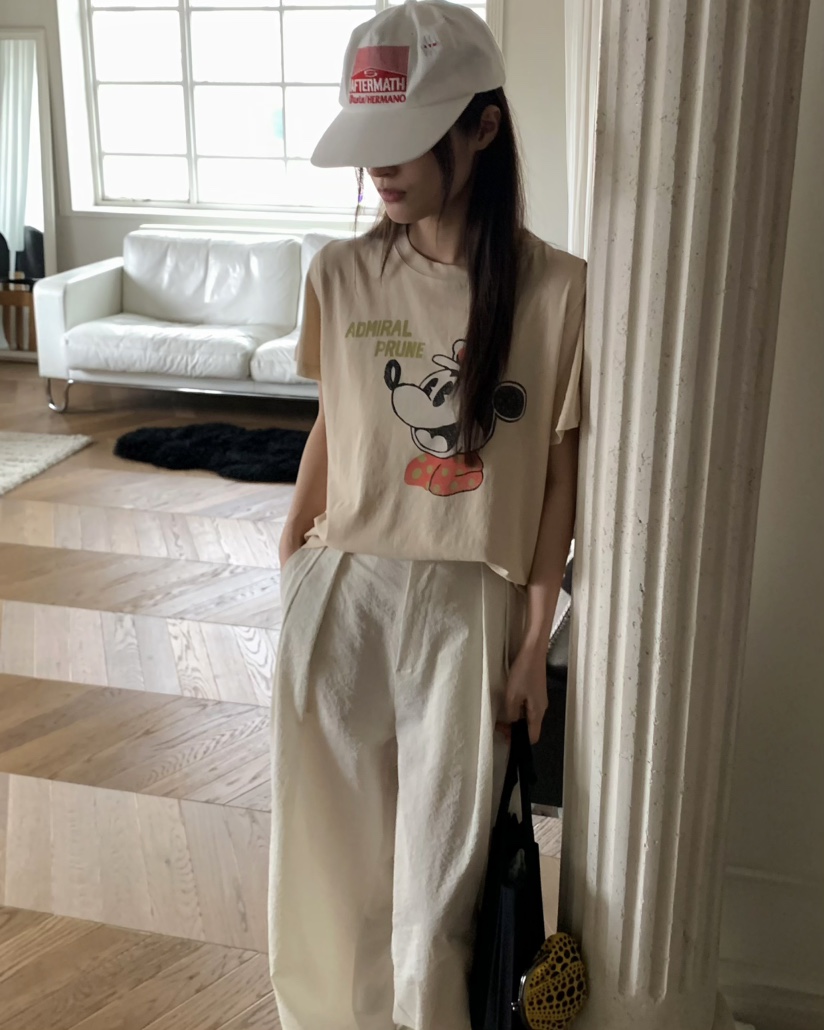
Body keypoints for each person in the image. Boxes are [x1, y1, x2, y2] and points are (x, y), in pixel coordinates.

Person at [267, 2, 585, 1028]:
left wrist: (533, 640)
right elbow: (335, 422)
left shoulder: (556, 292)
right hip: (343, 591)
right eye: (370, 140)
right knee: (324, 879)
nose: (379, 168)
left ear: (481, 128)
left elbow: (556, 477)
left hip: (467, 610)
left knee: (435, 900)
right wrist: (293, 557)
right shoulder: (340, 273)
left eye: (405, 139)